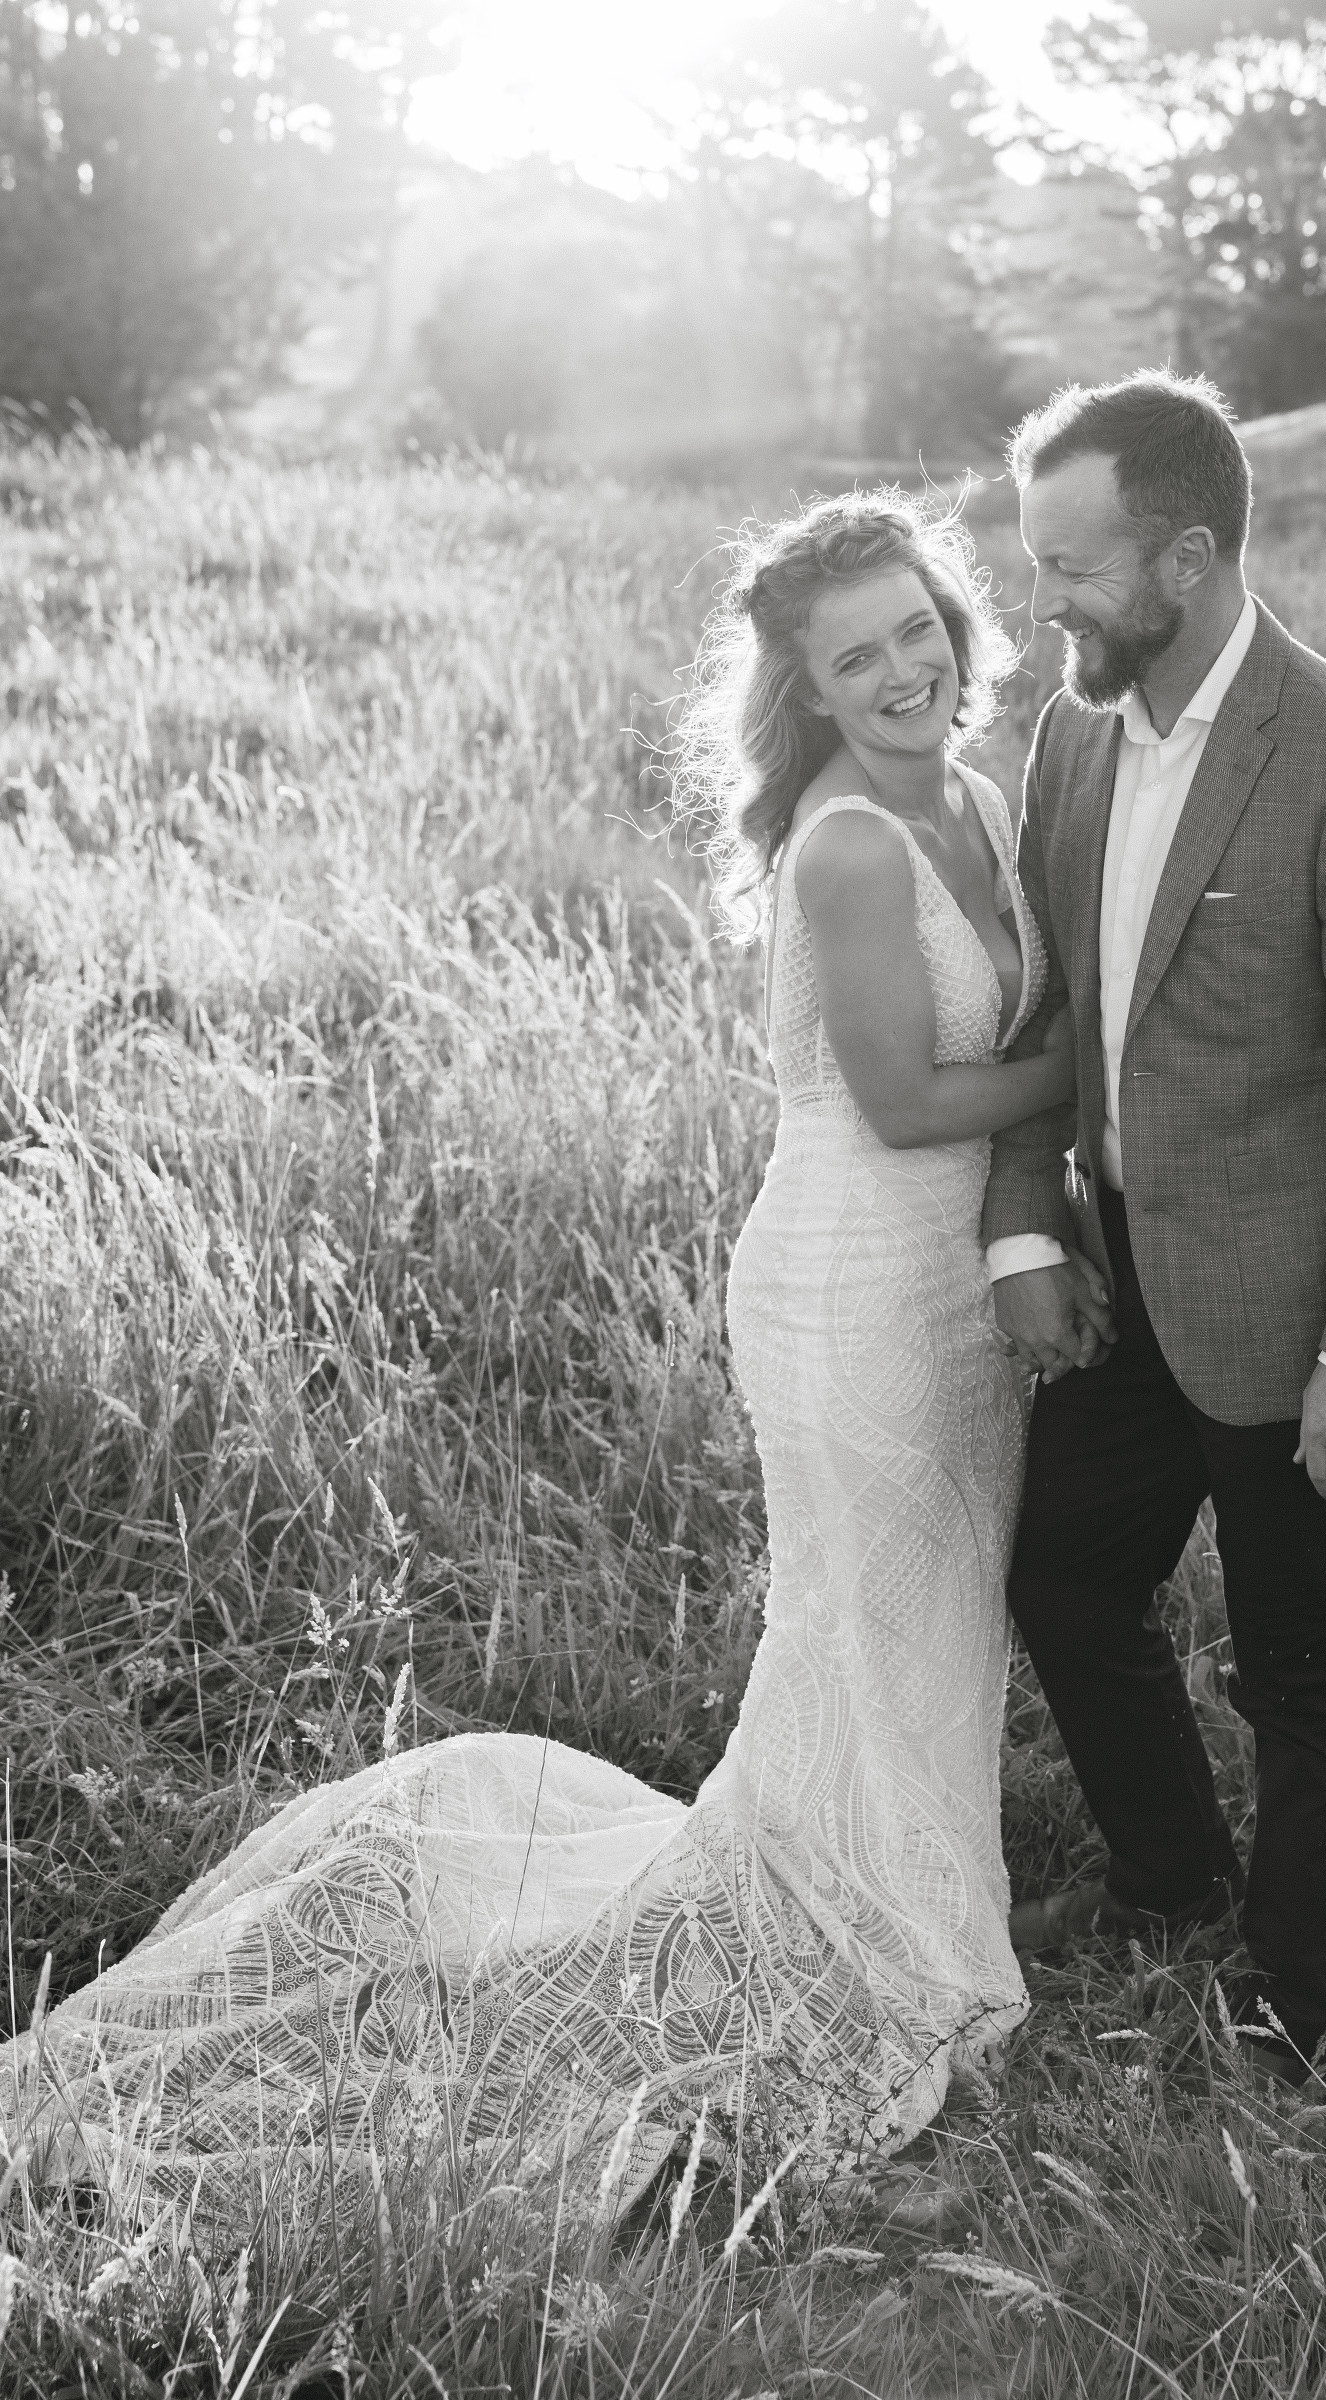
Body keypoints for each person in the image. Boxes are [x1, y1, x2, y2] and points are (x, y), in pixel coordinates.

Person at [3, 493, 1070, 2229]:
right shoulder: (851, 846)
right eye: (853, 657)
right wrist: (1119, 1069)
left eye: (914, 631)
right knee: (864, 1621)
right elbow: (903, 1099)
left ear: (956, 625)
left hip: (955, 1285)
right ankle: (874, 1946)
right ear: (804, 687)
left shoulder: (980, 798)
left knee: (929, 1620)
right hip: (853, 1285)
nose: (899, 673)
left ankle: (916, 1913)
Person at [985, 370, 1326, 2087]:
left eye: (1068, 565)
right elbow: (1056, 1010)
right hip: (1125, 1274)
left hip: (1300, 1314)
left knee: (1298, 1670)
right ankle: (1168, 1875)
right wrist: (1027, 1230)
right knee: (1061, 1578)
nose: (1038, 602)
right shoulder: (1072, 734)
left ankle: (1285, 2016)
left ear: (1186, 559)